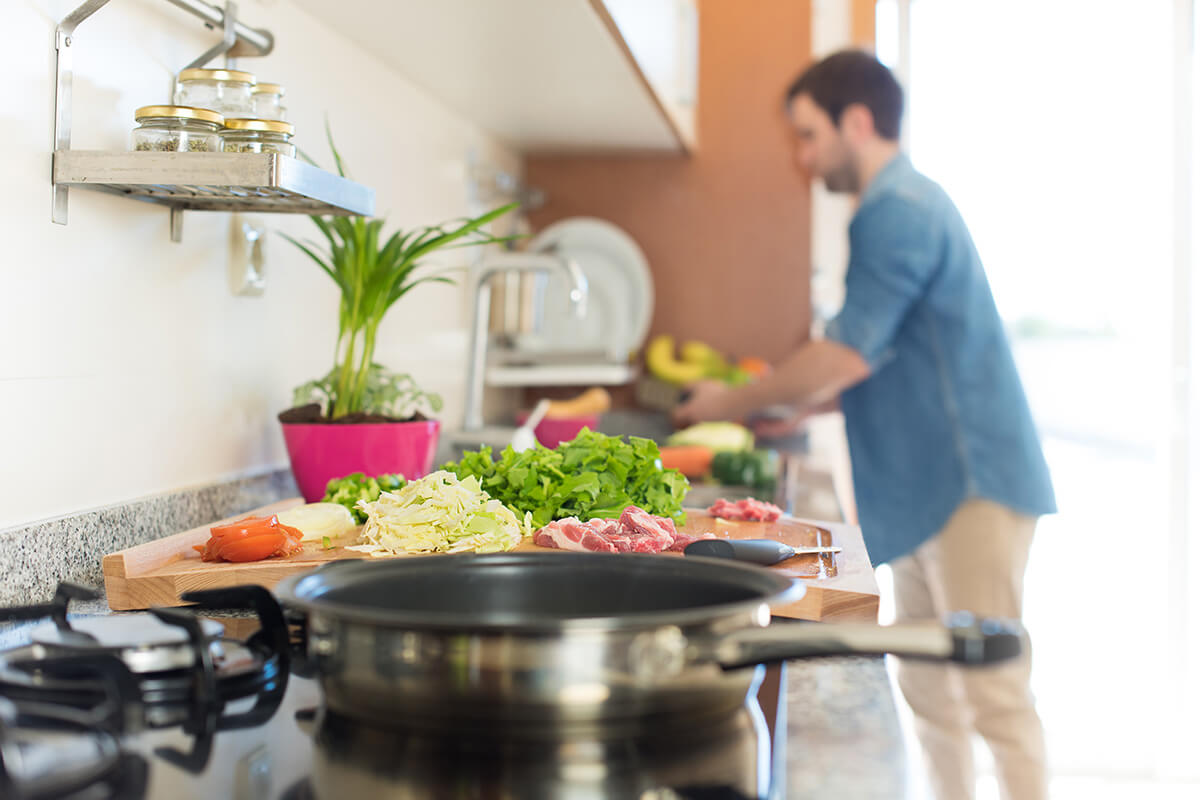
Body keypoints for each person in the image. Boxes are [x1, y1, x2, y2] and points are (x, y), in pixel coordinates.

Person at [673, 50, 1056, 800]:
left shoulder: (898, 210)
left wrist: (727, 404)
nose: (803, 157)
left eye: (809, 135)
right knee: (931, 684)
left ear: (858, 121)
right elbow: (877, 362)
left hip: (969, 480)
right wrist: (791, 399)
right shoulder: (892, 208)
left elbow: (846, 353)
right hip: (931, 486)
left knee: (993, 688)